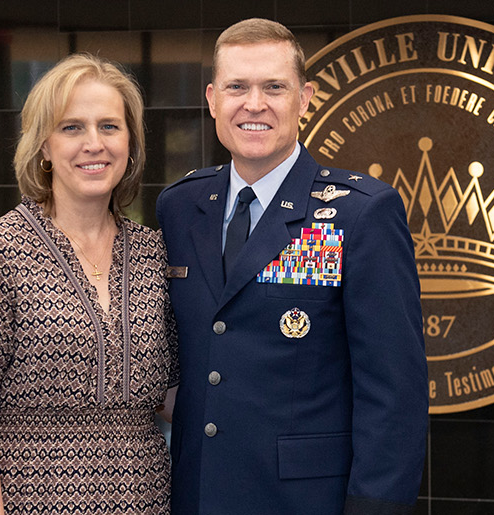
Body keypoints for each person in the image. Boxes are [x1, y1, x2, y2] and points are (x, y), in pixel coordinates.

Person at [154, 18, 428, 515]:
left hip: (305, 499)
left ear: (304, 99)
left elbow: (394, 393)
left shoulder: (360, 212)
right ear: (213, 99)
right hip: (196, 494)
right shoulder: (180, 207)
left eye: (274, 88)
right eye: (237, 87)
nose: (254, 104)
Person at [0, 54, 176, 515]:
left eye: (109, 126)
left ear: (130, 143)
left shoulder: (156, 254)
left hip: (147, 500)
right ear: (42, 146)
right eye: (71, 128)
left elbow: (177, 396)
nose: (93, 144)